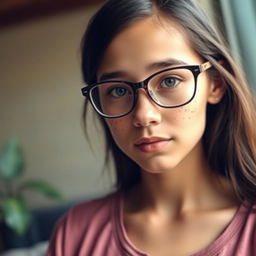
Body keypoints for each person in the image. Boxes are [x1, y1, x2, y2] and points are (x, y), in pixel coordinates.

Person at [46, 0, 256, 255]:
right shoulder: (76, 234)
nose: (144, 115)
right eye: (118, 90)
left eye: (169, 80)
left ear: (215, 83)